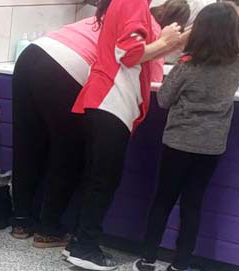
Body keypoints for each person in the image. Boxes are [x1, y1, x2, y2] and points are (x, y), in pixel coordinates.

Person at [10, 0, 190, 248]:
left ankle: (20, 220)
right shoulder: (153, 30)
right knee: (69, 154)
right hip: (67, 69)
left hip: (31, 55)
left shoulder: (112, 12)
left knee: (27, 143)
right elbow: (152, 82)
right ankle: (48, 228)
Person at [63, 0, 189, 270]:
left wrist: (174, 40)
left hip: (102, 100)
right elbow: (129, 54)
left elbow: (141, 48)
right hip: (111, 101)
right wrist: (165, 42)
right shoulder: (133, 1)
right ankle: (85, 247)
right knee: (103, 180)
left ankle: (77, 242)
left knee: (95, 177)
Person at [133, 2, 239, 271]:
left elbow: (164, 99)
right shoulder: (235, 64)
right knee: (194, 203)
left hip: (179, 142)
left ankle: (147, 261)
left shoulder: (187, 65)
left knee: (164, 199)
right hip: (212, 145)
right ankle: (181, 267)